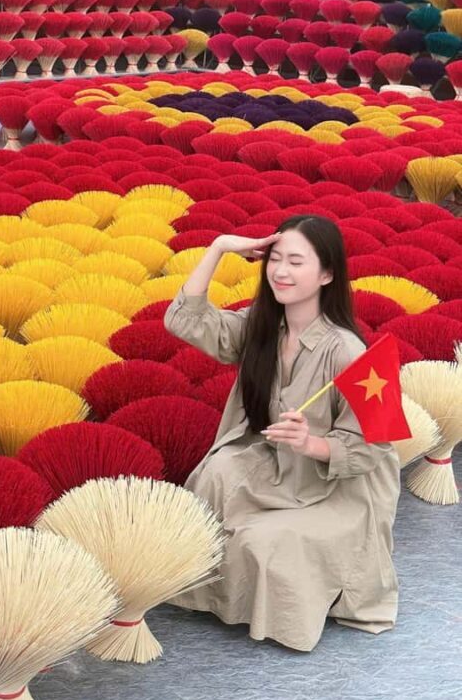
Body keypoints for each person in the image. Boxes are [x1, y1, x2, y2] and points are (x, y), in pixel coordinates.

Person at [163, 214, 400, 652]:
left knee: (265, 540)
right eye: (275, 259)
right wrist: (218, 246)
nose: (281, 271)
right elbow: (185, 321)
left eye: (296, 261)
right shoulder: (263, 326)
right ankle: (214, 597)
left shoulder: (347, 350)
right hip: (274, 464)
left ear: (327, 274)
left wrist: (311, 443)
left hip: (334, 487)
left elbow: (371, 447)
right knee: (214, 473)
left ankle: (281, 611)